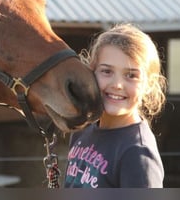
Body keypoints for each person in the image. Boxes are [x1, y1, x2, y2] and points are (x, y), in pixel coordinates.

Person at [64, 23, 166, 188]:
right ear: (92, 72)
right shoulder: (82, 132)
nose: (117, 84)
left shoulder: (137, 154)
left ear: (149, 84)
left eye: (131, 75)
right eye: (106, 71)